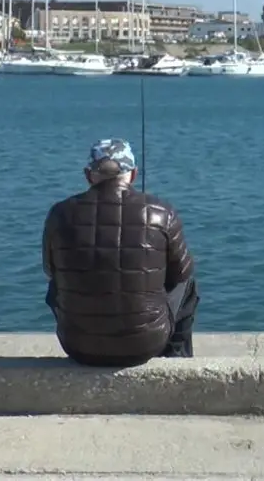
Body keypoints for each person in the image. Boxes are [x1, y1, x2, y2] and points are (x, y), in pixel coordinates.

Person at [42, 138, 198, 366]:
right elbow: (180, 275)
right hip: (146, 345)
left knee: (56, 284)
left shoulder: (59, 214)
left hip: (78, 346)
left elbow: (50, 271)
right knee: (188, 285)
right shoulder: (162, 213)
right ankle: (176, 362)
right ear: (133, 174)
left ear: (88, 175)